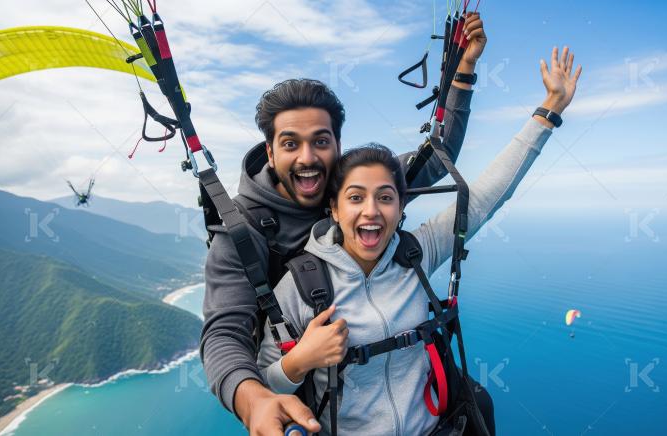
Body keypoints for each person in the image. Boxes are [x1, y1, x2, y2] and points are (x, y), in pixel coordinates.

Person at [257, 47, 582, 435]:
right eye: (356, 197)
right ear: (334, 208)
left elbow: (485, 197)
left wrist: (549, 110)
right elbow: (267, 382)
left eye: (385, 197)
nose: (371, 211)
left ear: (400, 207)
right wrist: (300, 361)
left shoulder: (415, 254)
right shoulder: (301, 284)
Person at [200, 13, 488, 435]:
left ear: (337, 143)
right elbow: (223, 334)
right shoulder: (242, 230)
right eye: (290, 143)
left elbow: (435, 157)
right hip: (312, 404)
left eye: (321, 141)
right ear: (270, 150)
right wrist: (253, 398)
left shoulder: (355, 188)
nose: (307, 158)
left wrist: (462, 73)